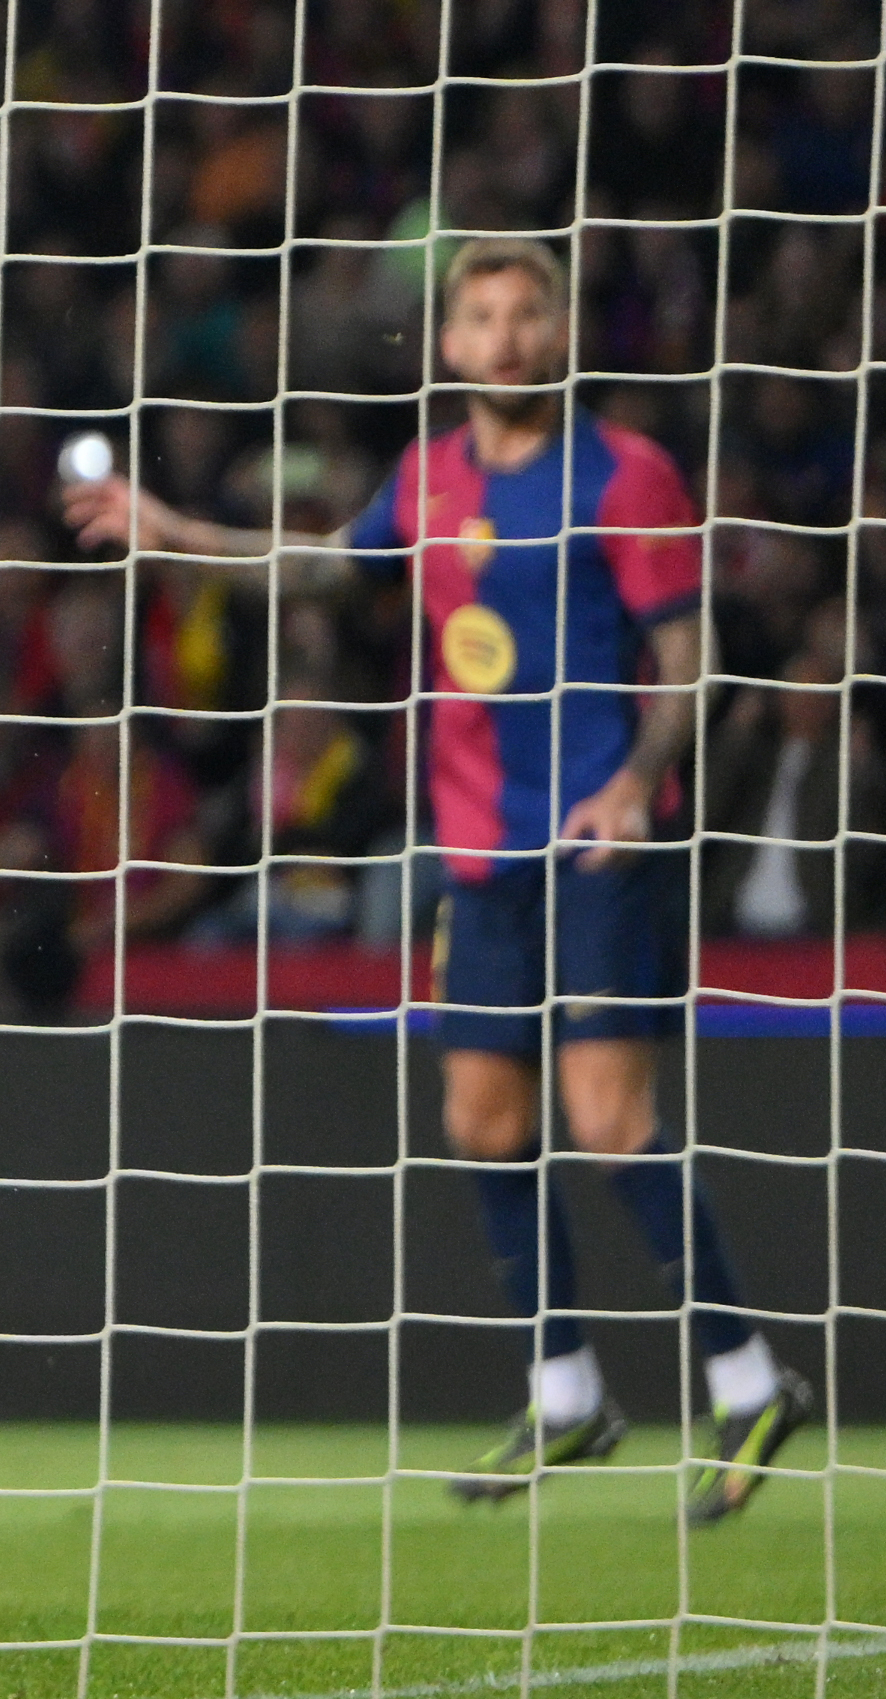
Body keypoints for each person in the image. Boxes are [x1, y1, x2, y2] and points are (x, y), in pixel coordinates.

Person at [69, 236, 808, 1520]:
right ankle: (568, 1396)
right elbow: (316, 565)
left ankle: (749, 1379)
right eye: (483, 315)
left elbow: (685, 659)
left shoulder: (623, 477)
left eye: (529, 311)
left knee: (608, 1119)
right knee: (481, 1122)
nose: (508, 333)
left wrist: (637, 779)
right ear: (452, 346)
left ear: (561, 333)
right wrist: (171, 530)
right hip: (481, 857)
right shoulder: (427, 479)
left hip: (601, 843)